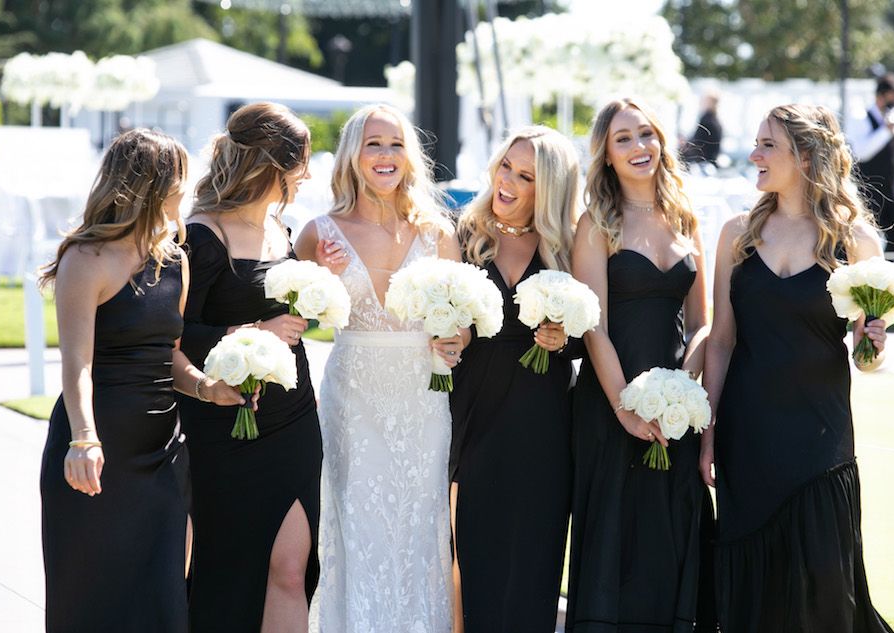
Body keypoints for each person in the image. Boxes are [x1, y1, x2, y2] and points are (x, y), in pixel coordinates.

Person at [38, 129, 247, 633]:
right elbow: (77, 364)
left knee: (163, 596)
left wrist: (206, 387)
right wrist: (83, 438)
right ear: (152, 185)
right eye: (180, 180)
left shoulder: (174, 259)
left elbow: (169, 353)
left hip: (162, 452)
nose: (187, 190)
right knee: (89, 599)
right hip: (95, 447)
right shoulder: (85, 260)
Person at [700, 104, 894, 632]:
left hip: (820, 439)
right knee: (753, 588)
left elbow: (866, 357)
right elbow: (721, 341)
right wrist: (709, 430)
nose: (754, 154)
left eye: (768, 145)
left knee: (825, 583)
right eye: (758, 142)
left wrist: (873, 342)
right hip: (749, 434)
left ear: (804, 157)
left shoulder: (855, 242)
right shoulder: (736, 234)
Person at [294, 104, 462, 633]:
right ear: (353, 156)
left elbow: (461, 318)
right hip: (354, 399)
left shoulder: (438, 233)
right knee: (358, 524)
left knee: (419, 526)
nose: (385, 155)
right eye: (373, 144)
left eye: (394, 144)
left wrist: (457, 337)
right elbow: (295, 321)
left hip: (423, 396)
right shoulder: (318, 233)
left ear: (408, 156)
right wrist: (322, 280)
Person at [566, 97, 713, 633]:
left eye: (646, 134)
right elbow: (593, 325)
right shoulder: (595, 224)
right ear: (605, 153)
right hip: (610, 406)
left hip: (676, 412)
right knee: (614, 540)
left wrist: (682, 389)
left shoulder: (685, 217)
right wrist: (628, 408)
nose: (638, 147)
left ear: (661, 142)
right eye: (623, 138)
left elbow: (702, 322)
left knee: (669, 536)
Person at [178, 102, 320, 633]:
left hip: (293, 420)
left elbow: (290, 322)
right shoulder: (200, 235)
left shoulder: (285, 230)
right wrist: (252, 334)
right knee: (228, 570)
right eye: (299, 165)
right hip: (222, 425)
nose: (306, 176)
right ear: (269, 166)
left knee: (290, 568)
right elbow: (174, 337)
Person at [448, 126, 580, 633]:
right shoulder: (463, 235)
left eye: (525, 176)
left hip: (543, 424)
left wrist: (561, 338)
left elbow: (591, 330)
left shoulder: (568, 247)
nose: (507, 181)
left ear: (546, 190)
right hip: (471, 417)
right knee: (465, 562)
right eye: (506, 165)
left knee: (533, 565)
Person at [848, 72, 894, 255]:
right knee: (866, 236)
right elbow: (861, 152)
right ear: (879, 95)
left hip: (891, 189)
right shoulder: (860, 116)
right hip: (868, 188)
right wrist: (885, 132)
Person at [681, 91, 722, 171]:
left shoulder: (707, 120)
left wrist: (685, 144)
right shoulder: (715, 120)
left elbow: (698, 141)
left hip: (702, 161)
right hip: (710, 159)